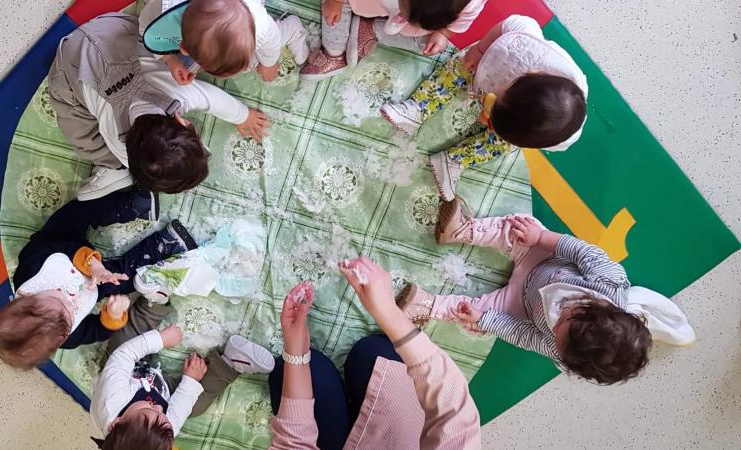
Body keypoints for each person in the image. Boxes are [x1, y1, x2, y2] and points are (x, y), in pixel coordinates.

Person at [397, 196, 652, 385]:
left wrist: (484, 318)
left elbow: (523, 334)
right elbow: (581, 251)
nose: (555, 321)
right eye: (563, 320)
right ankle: (462, 230)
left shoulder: (561, 349)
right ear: (594, 307)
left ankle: (428, 305)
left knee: (475, 318)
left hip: (521, 304)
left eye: (556, 333)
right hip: (541, 258)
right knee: (522, 227)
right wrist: (540, 238)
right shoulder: (609, 283)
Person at [47, 12, 270, 200]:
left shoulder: (177, 93)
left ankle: (114, 169)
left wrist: (243, 116)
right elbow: (212, 99)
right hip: (98, 38)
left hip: (101, 37)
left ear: (182, 121)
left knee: (81, 132)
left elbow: (212, 98)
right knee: (85, 139)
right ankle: (113, 169)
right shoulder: (118, 143)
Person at [268, 259, 482, 449]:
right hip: (399, 439)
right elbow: (454, 410)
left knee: (286, 371)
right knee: (374, 352)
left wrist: (296, 353)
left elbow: (292, 444)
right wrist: (389, 314)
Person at [380, 15, 588, 201]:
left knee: (505, 144)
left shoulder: (561, 136)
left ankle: (455, 159)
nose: (483, 115)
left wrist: (499, 127)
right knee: (460, 65)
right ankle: (417, 107)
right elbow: (507, 24)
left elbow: (526, 135)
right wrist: (479, 50)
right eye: (497, 98)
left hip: (517, 112)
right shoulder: (524, 41)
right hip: (489, 60)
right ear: (531, 73)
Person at [0, 187, 198, 369]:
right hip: (90, 284)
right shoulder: (66, 336)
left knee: (78, 211)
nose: (70, 302)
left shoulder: (31, 270)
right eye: (70, 315)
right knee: (121, 281)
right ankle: (163, 246)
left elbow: (59, 247)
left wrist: (92, 264)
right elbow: (98, 330)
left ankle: (132, 206)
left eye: (59, 301)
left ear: (26, 298)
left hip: (66, 245)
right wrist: (113, 315)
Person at [90, 324, 275, 448]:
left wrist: (161, 339)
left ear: (116, 423)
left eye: (149, 409)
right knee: (196, 406)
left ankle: (152, 300)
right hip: (163, 388)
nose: (158, 407)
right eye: (163, 415)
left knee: (122, 342)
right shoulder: (162, 429)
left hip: (131, 373)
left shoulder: (111, 399)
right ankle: (231, 362)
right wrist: (190, 380)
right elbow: (179, 409)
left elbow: (124, 355)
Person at [300, 0, 486, 80]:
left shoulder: (470, 4)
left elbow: (462, 21)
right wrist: (336, 2)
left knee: (431, 43)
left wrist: (443, 33)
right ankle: (334, 52)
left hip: (415, 20)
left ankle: (370, 29)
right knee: (333, 10)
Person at [138, 0, 309, 84]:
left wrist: (269, 63)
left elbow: (272, 41)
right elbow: (146, 28)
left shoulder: (260, 24)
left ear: (184, 48)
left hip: (258, 24)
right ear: (183, 47)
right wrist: (170, 60)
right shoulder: (161, 12)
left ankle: (292, 29)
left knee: (264, 50)